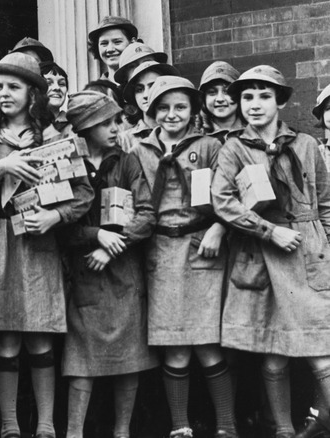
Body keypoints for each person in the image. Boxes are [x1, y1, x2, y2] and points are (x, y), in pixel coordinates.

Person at [0, 52, 93, 438]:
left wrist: (57, 217)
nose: (4, 94)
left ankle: (46, 424)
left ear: (33, 93)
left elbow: (84, 194)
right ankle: (9, 425)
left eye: (14, 87)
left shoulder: (56, 138)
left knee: (39, 339)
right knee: (4, 340)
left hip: (38, 244)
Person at [212, 65, 330, 438]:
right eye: (247, 97)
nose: (255, 105)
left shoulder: (306, 145)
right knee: (273, 350)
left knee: (321, 346)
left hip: (306, 252)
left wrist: (325, 244)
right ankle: (283, 429)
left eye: (265, 96)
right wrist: (268, 230)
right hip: (261, 252)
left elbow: (325, 202)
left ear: (280, 101)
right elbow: (223, 202)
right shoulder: (233, 148)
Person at [130, 76, 237, 438]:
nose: (172, 114)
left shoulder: (209, 146)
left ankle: (226, 425)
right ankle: (181, 426)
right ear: (152, 111)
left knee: (208, 343)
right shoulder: (139, 150)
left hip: (202, 247)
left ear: (194, 110)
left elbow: (228, 192)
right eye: (163, 107)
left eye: (180, 107)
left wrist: (220, 227)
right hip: (159, 251)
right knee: (174, 344)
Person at [59, 90, 158, 438]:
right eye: (107, 123)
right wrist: (95, 235)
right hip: (85, 272)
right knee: (81, 360)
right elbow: (62, 224)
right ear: (85, 129)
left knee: (128, 357)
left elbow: (147, 214)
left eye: (118, 121)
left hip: (123, 271)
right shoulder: (68, 166)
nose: (117, 128)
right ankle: (73, 432)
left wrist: (115, 245)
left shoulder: (127, 162)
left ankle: (122, 431)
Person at [118, 60, 180, 152]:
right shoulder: (124, 141)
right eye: (139, 89)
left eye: (153, 86)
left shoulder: (185, 134)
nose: (146, 95)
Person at [198, 61, 244, 143]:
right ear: (204, 99)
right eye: (212, 92)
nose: (220, 99)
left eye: (226, 92)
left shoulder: (253, 131)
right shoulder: (196, 136)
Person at [87, 16, 138, 82]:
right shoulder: (96, 90)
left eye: (117, 42)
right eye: (104, 43)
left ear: (132, 42)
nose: (110, 49)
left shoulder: (146, 84)